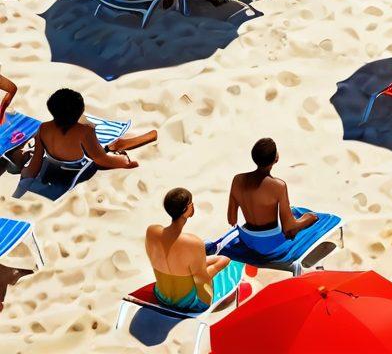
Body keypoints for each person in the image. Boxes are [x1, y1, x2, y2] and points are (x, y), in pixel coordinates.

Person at [21, 88, 157, 179]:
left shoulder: (43, 128)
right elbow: (101, 159)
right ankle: (116, 146)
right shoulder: (85, 131)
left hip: (55, 164)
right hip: (77, 168)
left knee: (101, 148)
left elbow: (37, 160)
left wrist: (26, 174)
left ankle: (114, 146)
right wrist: (126, 163)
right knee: (107, 152)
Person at [146, 188, 234, 312]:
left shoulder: (152, 231)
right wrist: (215, 269)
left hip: (161, 296)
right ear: (189, 207)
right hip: (187, 304)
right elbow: (202, 280)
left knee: (217, 259)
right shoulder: (193, 242)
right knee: (226, 261)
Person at [227, 138, 318, 254]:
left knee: (293, 213)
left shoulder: (237, 180)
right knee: (310, 218)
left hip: (248, 239)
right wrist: (308, 219)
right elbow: (288, 228)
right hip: (271, 244)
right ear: (276, 158)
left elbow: (231, 219)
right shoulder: (279, 186)